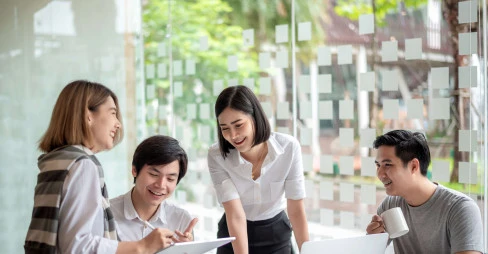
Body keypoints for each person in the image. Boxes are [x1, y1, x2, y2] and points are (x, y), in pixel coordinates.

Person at [24, 80, 175, 254]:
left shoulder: (54, 161)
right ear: (88, 115)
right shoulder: (82, 165)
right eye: (112, 113)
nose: (118, 123)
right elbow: (77, 246)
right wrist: (142, 246)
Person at [208, 85, 309, 254]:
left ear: (255, 117)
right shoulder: (217, 155)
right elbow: (235, 214)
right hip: (233, 234)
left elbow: (296, 210)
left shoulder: (288, 148)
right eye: (225, 128)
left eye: (238, 125)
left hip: (275, 233)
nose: (233, 135)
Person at [366, 130, 483, 254]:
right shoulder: (390, 206)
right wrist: (372, 240)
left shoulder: (460, 209)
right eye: (378, 165)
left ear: (414, 166)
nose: (380, 174)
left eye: (387, 164)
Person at [110, 135, 198, 244]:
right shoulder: (106, 214)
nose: (161, 185)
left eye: (170, 179)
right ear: (134, 170)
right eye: (153, 174)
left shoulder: (181, 219)